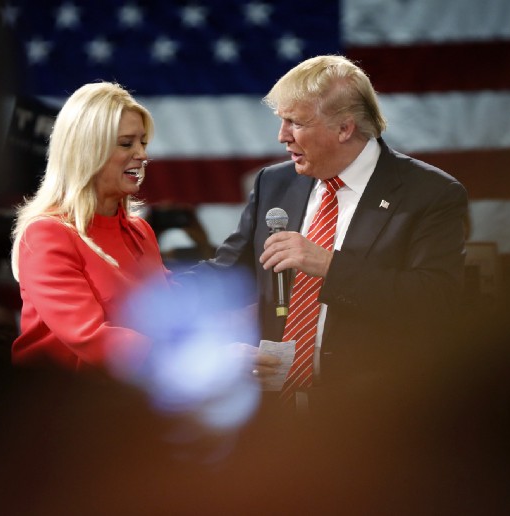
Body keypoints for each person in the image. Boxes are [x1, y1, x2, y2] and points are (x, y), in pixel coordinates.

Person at [187, 55, 468, 411]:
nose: (282, 136)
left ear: (344, 128)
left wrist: (329, 265)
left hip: (373, 416)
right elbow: (230, 270)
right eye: (282, 121)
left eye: (296, 122)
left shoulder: (428, 194)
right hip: (272, 415)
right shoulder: (274, 183)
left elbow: (436, 300)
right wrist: (144, 284)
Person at [9, 81, 177, 380]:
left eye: (143, 143)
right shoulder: (47, 234)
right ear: (88, 151)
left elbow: (173, 312)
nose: (141, 154)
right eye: (126, 144)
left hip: (134, 403)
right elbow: (91, 338)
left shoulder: (140, 232)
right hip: (61, 410)